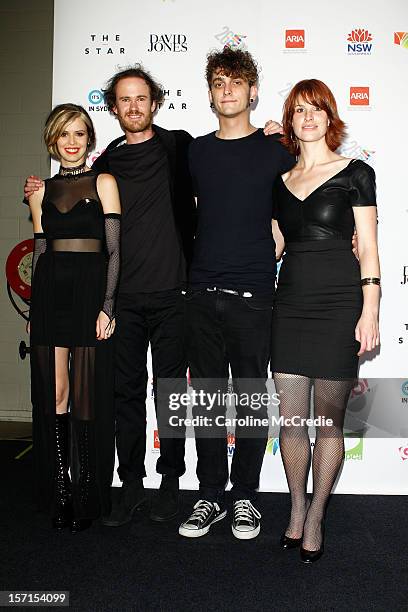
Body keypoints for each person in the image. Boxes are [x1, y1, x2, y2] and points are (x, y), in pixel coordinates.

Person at [25, 65, 196, 525]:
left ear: (155, 102)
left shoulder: (179, 146)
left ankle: (171, 482)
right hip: (121, 298)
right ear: (114, 108)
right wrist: (38, 190)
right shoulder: (106, 165)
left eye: (142, 98)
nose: (134, 106)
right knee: (124, 394)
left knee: (171, 392)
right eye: (125, 100)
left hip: (174, 290)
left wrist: (272, 135)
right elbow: (69, 203)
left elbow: (229, 156)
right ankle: (132, 484)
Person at [178, 47, 295, 540]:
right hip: (200, 292)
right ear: (210, 94)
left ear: (252, 90)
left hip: (254, 294)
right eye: (219, 82)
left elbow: (310, 195)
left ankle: (245, 495)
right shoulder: (195, 151)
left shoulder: (278, 149)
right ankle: (210, 495)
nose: (227, 90)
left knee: (249, 400)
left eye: (236, 82)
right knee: (204, 400)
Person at [271, 79, 380, 562]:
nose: (308, 117)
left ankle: (317, 515)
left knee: (327, 422)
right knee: (292, 422)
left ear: (330, 116)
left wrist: (370, 309)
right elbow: (273, 244)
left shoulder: (356, 172)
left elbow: (370, 247)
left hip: (339, 304)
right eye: (299, 111)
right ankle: (296, 508)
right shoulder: (279, 181)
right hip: (290, 302)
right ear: (291, 122)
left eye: (316, 109)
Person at [28, 103, 121, 532]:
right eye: (64, 134)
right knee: (57, 394)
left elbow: (114, 250)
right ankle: (61, 489)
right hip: (50, 294)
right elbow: (41, 248)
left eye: (79, 134)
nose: (71, 142)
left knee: (85, 396)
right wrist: (33, 310)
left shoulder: (104, 181)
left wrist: (108, 306)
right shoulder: (39, 191)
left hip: (88, 294)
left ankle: (87, 488)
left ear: (89, 140)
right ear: (53, 139)